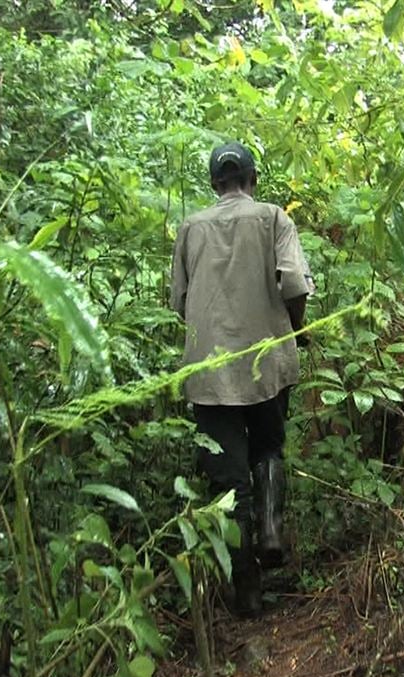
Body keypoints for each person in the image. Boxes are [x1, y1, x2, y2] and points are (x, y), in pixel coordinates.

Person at [170, 142, 312, 617]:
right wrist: (297, 326)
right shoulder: (274, 218)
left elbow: (178, 302)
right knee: (268, 446)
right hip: (266, 361)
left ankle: (247, 592)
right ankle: (270, 530)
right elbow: (293, 282)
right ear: (253, 179)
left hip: (209, 373)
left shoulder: (190, 227)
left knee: (229, 480)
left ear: (215, 185)